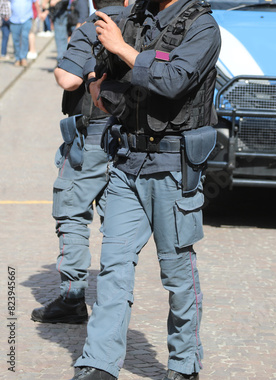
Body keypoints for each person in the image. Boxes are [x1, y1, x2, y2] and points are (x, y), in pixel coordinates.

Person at [71, 0, 221, 379]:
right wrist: (97, 85)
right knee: (114, 266)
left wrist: (123, 48)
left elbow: (173, 82)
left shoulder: (202, 27)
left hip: (173, 168)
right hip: (127, 163)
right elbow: (107, 81)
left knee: (176, 272)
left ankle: (184, 364)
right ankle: (99, 362)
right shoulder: (135, 17)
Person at [30, 0, 127, 325]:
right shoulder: (144, 26)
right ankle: (115, 301)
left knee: (72, 211)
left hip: (93, 136)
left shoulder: (93, 26)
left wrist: (67, 64)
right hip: (131, 137)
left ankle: (72, 298)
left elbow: (68, 80)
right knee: (119, 221)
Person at [10, 0, 39, 66]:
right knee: (15, 40)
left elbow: (36, 2)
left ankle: (23, 58)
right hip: (14, 19)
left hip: (26, 18)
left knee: (24, 38)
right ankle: (17, 58)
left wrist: (39, 14)